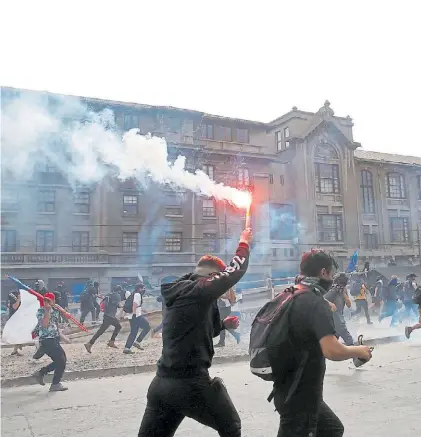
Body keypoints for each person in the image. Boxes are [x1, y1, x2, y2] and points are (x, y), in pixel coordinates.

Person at [137, 228, 252, 437]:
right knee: (231, 426)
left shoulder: (186, 292)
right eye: (217, 280)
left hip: (161, 385)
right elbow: (234, 273)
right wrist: (243, 243)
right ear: (212, 277)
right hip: (189, 383)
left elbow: (201, 331)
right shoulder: (198, 291)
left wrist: (224, 325)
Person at [272, 249, 372, 437]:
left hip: (287, 387)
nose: (332, 279)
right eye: (332, 274)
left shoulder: (288, 293)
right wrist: (360, 350)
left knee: (332, 429)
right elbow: (332, 350)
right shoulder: (315, 302)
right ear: (324, 272)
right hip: (300, 393)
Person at [33, 292, 68, 392]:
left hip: (54, 338)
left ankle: (41, 373)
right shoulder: (41, 311)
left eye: (49, 300)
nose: (46, 302)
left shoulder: (56, 310)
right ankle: (54, 384)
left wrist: (61, 310)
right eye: (45, 300)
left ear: (53, 301)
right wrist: (47, 311)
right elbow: (44, 325)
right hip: (46, 339)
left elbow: (61, 321)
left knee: (62, 360)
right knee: (61, 360)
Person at [84, 285, 124, 352]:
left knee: (106, 329)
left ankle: (110, 342)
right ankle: (90, 344)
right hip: (110, 316)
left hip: (107, 315)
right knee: (113, 328)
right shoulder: (117, 296)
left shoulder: (109, 294)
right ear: (119, 290)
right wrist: (125, 306)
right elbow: (119, 305)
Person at [325, 273, 354, 347]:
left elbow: (349, 304)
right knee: (348, 339)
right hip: (335, 320)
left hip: (338, 319)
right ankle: (355, 356)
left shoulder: (343, 290)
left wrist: (344, 294)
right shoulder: (333, 290)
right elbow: (323, 300)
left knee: (333, 340)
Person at [123, 282, 150, 354]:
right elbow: (134, 304)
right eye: (143, 288)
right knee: (147, 327)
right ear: (139, 288)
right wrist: (135, 314)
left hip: (132, 316)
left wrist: (141, 309)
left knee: (133, 332)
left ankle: (127, 348)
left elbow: (136, 305)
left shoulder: (133, 294)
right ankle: (137, 342)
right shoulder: (137, 294)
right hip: (136, 316)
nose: (144, 290)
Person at [7, 289, 23, 356]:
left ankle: (16, 349)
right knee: (18, 334)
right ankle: (16, 348)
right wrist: (19, 299)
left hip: (16, 317)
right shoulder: (14, 296)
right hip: (15, 318)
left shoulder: (11, 295)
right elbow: (14, 307)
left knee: (20, 334)